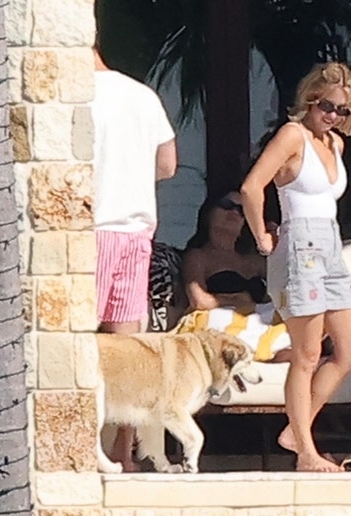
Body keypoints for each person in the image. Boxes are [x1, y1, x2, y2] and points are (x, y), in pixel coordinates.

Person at [240, 62, 351, 472]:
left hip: (330, 242)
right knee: (307, 353)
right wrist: (261, 234)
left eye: (342, 110)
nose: (333, 115)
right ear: (310, 101)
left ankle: (298, 429)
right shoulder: (293, 135)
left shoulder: (334, 144)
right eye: (327, 106)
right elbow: (252, 186)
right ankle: (305, 453)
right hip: (300, 243)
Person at [92, 42, 177, 472]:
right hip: (137, 229)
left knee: (76, 340)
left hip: (95, 227)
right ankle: (124, 454)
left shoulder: (79, 94)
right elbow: (168, 164)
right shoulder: (143, 95)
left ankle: (83, 446)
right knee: (126, 348)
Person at [181, 191, 268, 312]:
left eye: (242, 210)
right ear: (209, 213)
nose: (234, 212)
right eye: (227, 205)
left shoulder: (256, 261)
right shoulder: (198, 257)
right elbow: (199, 301)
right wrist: (243, 303)